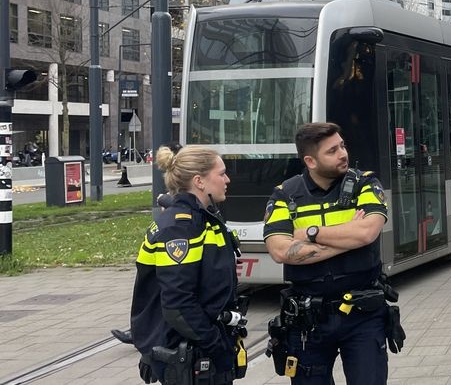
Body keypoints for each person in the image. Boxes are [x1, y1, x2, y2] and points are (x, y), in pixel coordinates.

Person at [262, 122, 402, 385]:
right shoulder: (285, 195)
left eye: (342, 146)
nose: (342, 154)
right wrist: (347, 235)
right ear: (310, 161)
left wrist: (310, 232)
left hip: (363, 316)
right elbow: (280, 251)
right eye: (332, 151)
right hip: (308, 321)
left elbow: (367, 233)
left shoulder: (365, 183)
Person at [129, 145, 246, 384]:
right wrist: (216, 345)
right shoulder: (181, 228)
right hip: (191, 350)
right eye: (221, 173)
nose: (227, 179)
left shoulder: (203, 218)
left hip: (201, 345)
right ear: (199, 181)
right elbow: (178, 303)